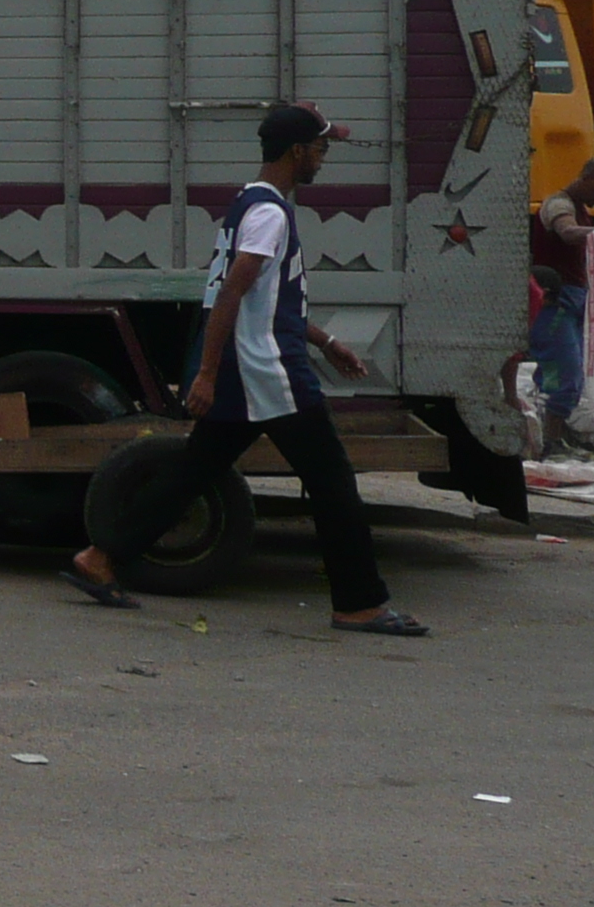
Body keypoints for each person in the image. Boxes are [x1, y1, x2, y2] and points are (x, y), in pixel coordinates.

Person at [64, 103, 428, 634]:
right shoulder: (269, 213)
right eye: (321, 149)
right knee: (332, 482)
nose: (323, 160)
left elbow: (264, 297)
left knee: (195, 469)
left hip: (249, 365)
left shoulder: (249, 203)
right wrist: (207, 374)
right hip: (268, 369)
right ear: (297, 151)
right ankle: (360, 601)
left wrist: (325, 342)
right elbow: (232, 292)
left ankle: (101, 558)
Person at [528, 154, 594, 453]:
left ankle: (552, 433)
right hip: (554, 304)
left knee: (566, 372)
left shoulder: (581, 209)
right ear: (586, 177)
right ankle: (551, 441)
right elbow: (567, 234)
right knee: (564, 373)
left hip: (572, 302)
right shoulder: (559, 205)